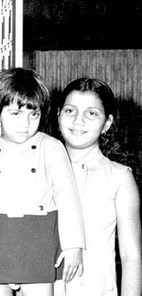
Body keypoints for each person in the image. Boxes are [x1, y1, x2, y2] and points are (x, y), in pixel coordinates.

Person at [0, 68, 85, 296]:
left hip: (37, 237)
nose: (25, 124)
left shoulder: (52, 147)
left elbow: (68, 199)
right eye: (15, 114)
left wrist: (73, 244)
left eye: (33, 114)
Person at [55, 78, 142, 296]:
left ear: (107, 123)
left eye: (91, 113)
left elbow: (131, 257)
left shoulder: (120, 177)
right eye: (70, 110)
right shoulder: (37, 169)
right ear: (58, 115)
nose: (78, 120)